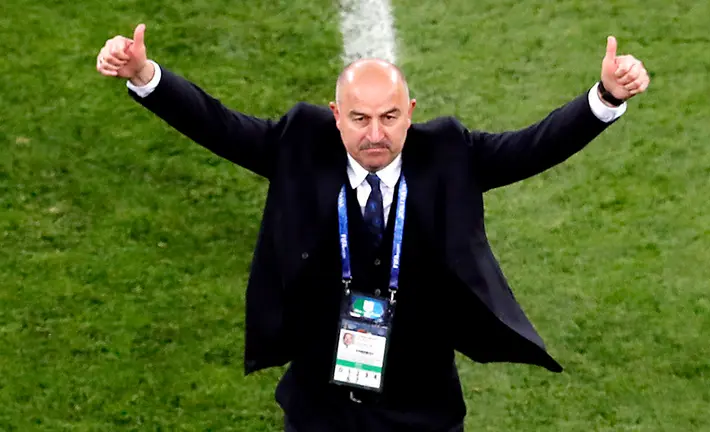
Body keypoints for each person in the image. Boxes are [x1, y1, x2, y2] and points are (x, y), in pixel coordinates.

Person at [96, 23, 650, 432]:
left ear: (410, 110)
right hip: (320, 404)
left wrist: (604, 99)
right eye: (359, 119)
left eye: (389, 117)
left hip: (423, 406)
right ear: (335, 116)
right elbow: (217, 125)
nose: (375, 135)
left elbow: (535, 145)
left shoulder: (450, 153)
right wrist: (146, 76)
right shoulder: (299, 145)